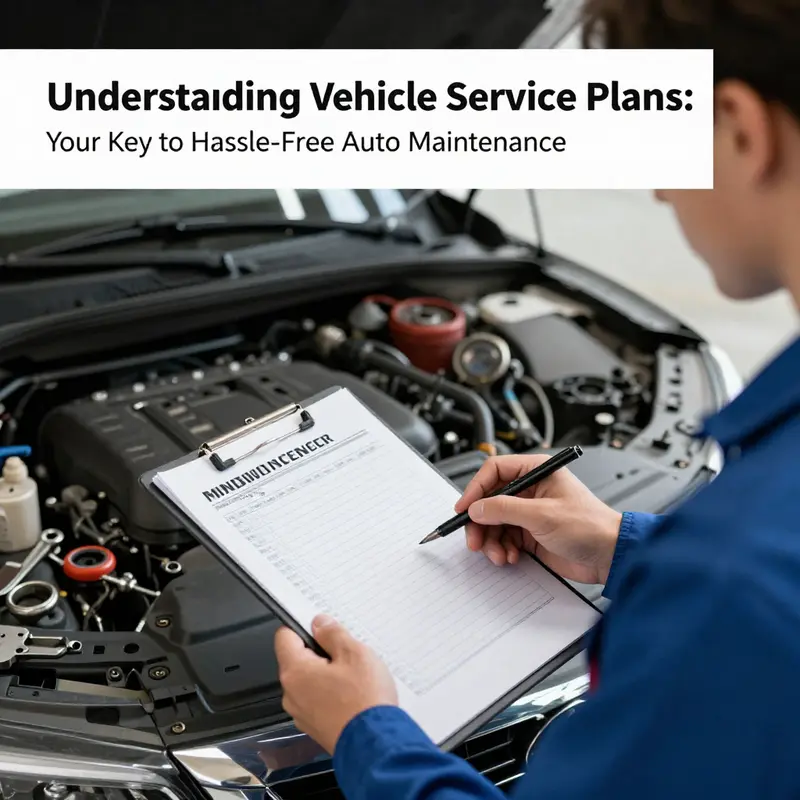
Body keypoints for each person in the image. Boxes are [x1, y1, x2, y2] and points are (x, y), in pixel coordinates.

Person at [274, 0, 800, 796]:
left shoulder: (728, 581)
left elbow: (751, 600)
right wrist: (625, 544)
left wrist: (364, 736)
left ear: (738, 126)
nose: (660, 190)